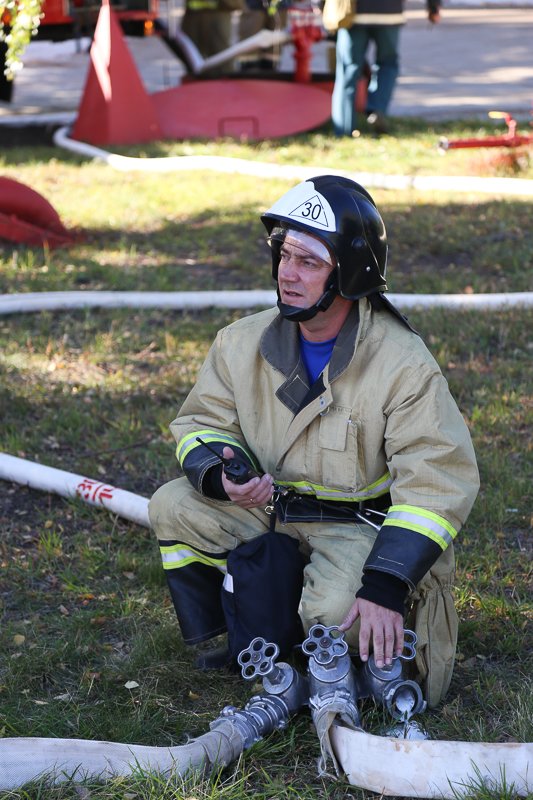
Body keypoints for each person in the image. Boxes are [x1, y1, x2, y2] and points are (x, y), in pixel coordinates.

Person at [149, 175, 479, 708]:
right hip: (272, 511)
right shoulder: (240, 344)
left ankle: (346, 661)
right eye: (283, 254)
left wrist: (387, 584)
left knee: (334, 612)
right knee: (174, 506)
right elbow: (200, 423)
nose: (286, 274)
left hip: (362, 530)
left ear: (348, 274)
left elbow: (437, 483)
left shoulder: (402, 364)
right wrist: (220, 472)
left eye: (308, 262)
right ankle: (234, 639)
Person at [331, 0, 441, 136]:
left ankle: (344, 128)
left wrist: (322, 5)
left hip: (351, 13)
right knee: (387, 64)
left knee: (348, 70)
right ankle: (376, 109)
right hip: (389, 12)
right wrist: (433, 6)